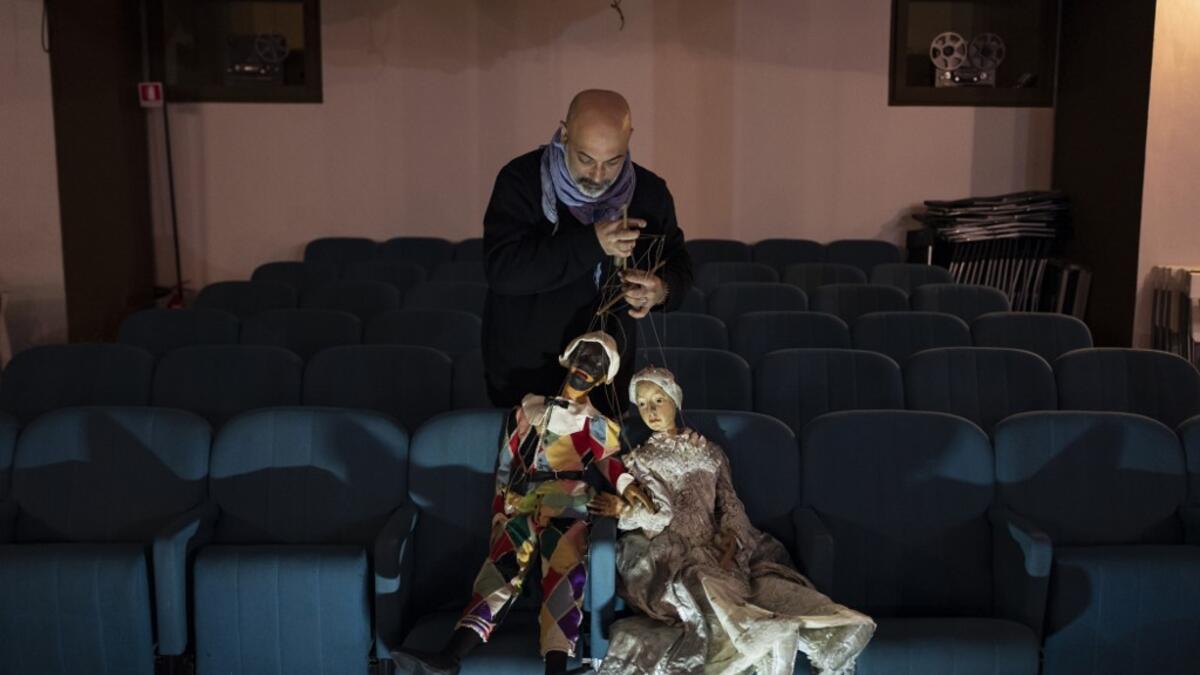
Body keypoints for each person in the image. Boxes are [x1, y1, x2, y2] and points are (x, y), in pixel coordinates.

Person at [392, 332, 655, 675]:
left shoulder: (598, 424)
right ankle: (451, 656)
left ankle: (556, 667)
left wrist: (627, 483)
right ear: (568, 356)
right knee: (499, 571)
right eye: (584, 356)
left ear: (605, 376)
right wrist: (501, 505)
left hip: (566, 501)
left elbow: (610, 462)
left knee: (563, 575)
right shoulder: (529, 407)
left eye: (597, 363)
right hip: (520, 501)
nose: (586, 367)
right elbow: (506, 459)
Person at [589, 368, 876, 675]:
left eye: (658, 399)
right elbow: (658, 516)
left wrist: (732, 539)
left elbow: (729, 502)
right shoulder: (640, 460)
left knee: (765, 589)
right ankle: (760, 633)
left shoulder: (710, 452)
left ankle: (781, 625)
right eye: (643, 404)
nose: (651, 410)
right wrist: (623, 509)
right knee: (705, 587)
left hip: (715, 544)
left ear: (675, 400)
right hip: (672, 550)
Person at [482, 89, 693, 419]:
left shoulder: (650, 193)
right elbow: (504, 272)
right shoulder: (520, 181)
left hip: (607, 386)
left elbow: (680, 266)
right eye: (585, 159)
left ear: (629, 140)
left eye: (612, 162)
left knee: (601, 470)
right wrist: (592, 242)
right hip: (525, 381)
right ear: (565, 134)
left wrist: (661, 290)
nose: (598, 176)